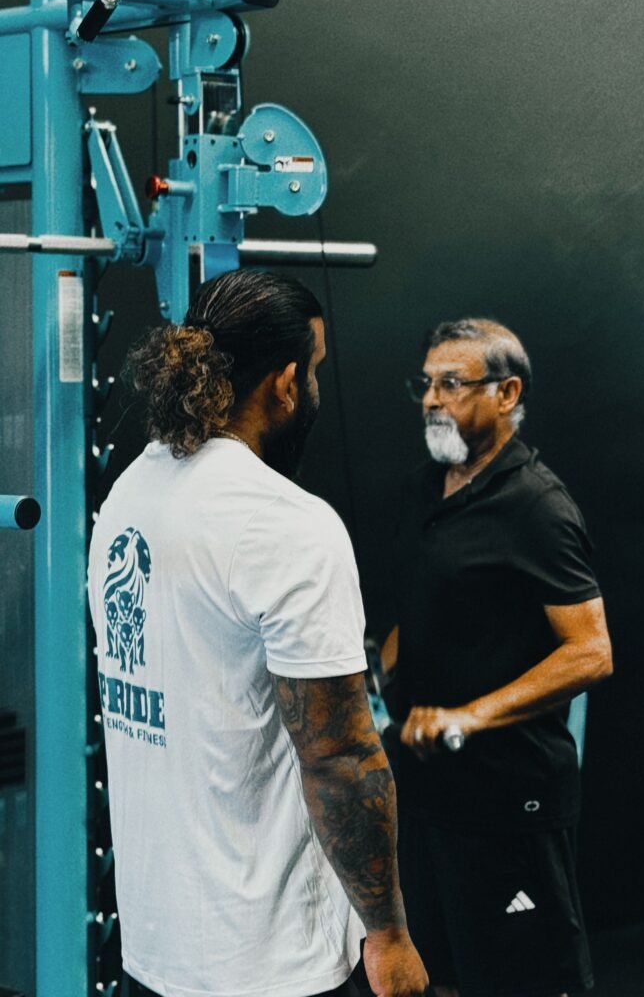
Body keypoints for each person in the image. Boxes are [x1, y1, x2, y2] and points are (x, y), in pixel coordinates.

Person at [87, 270, 428, 997]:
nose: (313, 388)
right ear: (284, 384)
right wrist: (389, 933)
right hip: (271, 965)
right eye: (315, 370)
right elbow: (341, 758)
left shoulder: (128, 496)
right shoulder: (286, 524)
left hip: (155, 953)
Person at [381, 318, 613, 997]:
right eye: (426, 383)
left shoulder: (536, 506)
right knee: (442, 976)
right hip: (431, 794)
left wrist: (469, 716)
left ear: (506, 393)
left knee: (521, 982)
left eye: (451, 383)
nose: (431, 398)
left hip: (511, 800)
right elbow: (421, 611)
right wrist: (378, 682)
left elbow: (591, 652)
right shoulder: (426, 488)